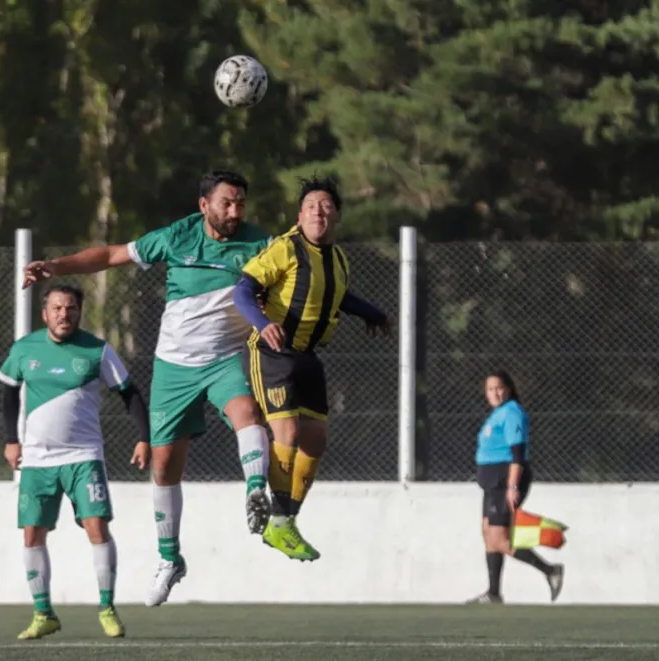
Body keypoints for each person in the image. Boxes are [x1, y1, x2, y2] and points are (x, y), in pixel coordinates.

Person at [21, 170, 273, 607]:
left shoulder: (259, 244)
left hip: (225, 359)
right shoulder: (176, 237)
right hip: (174, 368)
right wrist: (56, 267)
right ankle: (170, 558)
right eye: (227, 203)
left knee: (246, 412)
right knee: (163, 467)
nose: (235, 212)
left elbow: (298, 270)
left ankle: (255, 490)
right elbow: (112, 255)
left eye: (241, 204)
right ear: (204, 206)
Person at [232, 175, 391, 562]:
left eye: (326, 207)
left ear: (336, 215)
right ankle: (277, 519)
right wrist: (261, 322)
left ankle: (284, 522)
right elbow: (242, 289)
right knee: (285, 430)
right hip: (272, 351)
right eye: (310, 207)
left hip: (308, 356)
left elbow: (336, 295)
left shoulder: (338, 259)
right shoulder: (285, 248)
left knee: (316, 439)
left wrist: (371, 313)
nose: (318, 212)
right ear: (299, 216)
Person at [0, 284, 151, 639]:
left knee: (97, 527)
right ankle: (42, 613)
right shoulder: (24, 349)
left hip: (84, 457)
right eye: (56, 308)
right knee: (32, 533)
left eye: (70, 309)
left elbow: (129, 394)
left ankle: (107, 607)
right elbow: (8, 394)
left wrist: (144, 437)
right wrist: (10, 441)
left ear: (79, 312)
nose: (63, 314)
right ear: (45, 313)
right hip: (37, 459)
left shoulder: (97, 350)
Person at [466, 370, 564, 604]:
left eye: (499, 388)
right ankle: (493, 592)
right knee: (489, 536)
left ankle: (550, 571)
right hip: (492, 483)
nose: (495, 393)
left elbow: (517, 453)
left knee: (499, 539)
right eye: (490, 389)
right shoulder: (497, 414)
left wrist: (512, 486)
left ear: (508, 388)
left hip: (505, 480)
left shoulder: (512, 413)